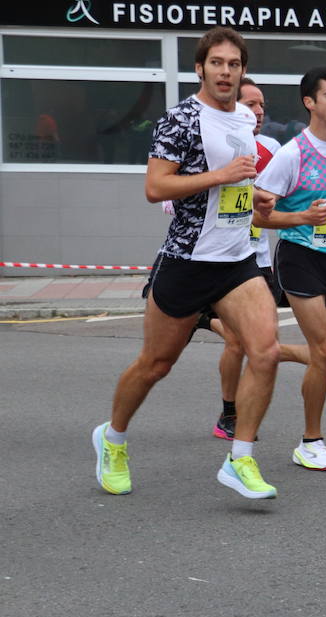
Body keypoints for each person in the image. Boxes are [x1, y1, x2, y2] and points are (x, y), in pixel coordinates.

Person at [91, 26, 282, 500]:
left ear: (242, 72)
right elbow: (156, 187)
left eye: (234, 64)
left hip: (237, 260)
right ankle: (112, 438)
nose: (225, 71)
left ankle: (240, 458)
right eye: (216, 63)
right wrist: (220, 176)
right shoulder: (179, 119)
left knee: (267, 352)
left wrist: (251, 197)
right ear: (200, 68)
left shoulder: (242, 117)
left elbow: (231, 187)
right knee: (156, 364)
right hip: (187, 259)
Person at [254, 67, 326, 472]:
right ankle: (310, 441)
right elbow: (259, 217)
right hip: (299, 258)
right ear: (310, 102)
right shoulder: (292, 155)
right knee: (324, 351)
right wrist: (303, 217)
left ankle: (277, 351)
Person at [206, 77, 309, 442]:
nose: (260, 111)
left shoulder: (271, 148)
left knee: (258, 342)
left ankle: (207, 322)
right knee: (238, 342)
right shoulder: (216, 146)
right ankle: (229, 412)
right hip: (219, 257)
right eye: (251, 104)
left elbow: (276, 201)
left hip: (259, 258)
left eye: (262, 104)